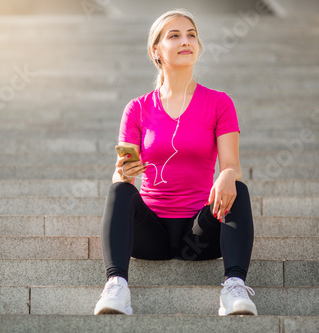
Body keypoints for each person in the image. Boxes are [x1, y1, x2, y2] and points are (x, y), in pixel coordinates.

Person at [93, 9, 257, 316]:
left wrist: (228, 174)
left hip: (200, 235)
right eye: (175, 35)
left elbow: (231, 164)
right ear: (156, 50)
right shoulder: (138, 108)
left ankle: (234, 288)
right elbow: (123, 177)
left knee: (238, 187)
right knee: (119, 192)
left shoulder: (220, 103)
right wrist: (122, 175)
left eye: (191, 35)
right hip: (150, 235)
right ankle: (116, 287)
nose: (186, 41)